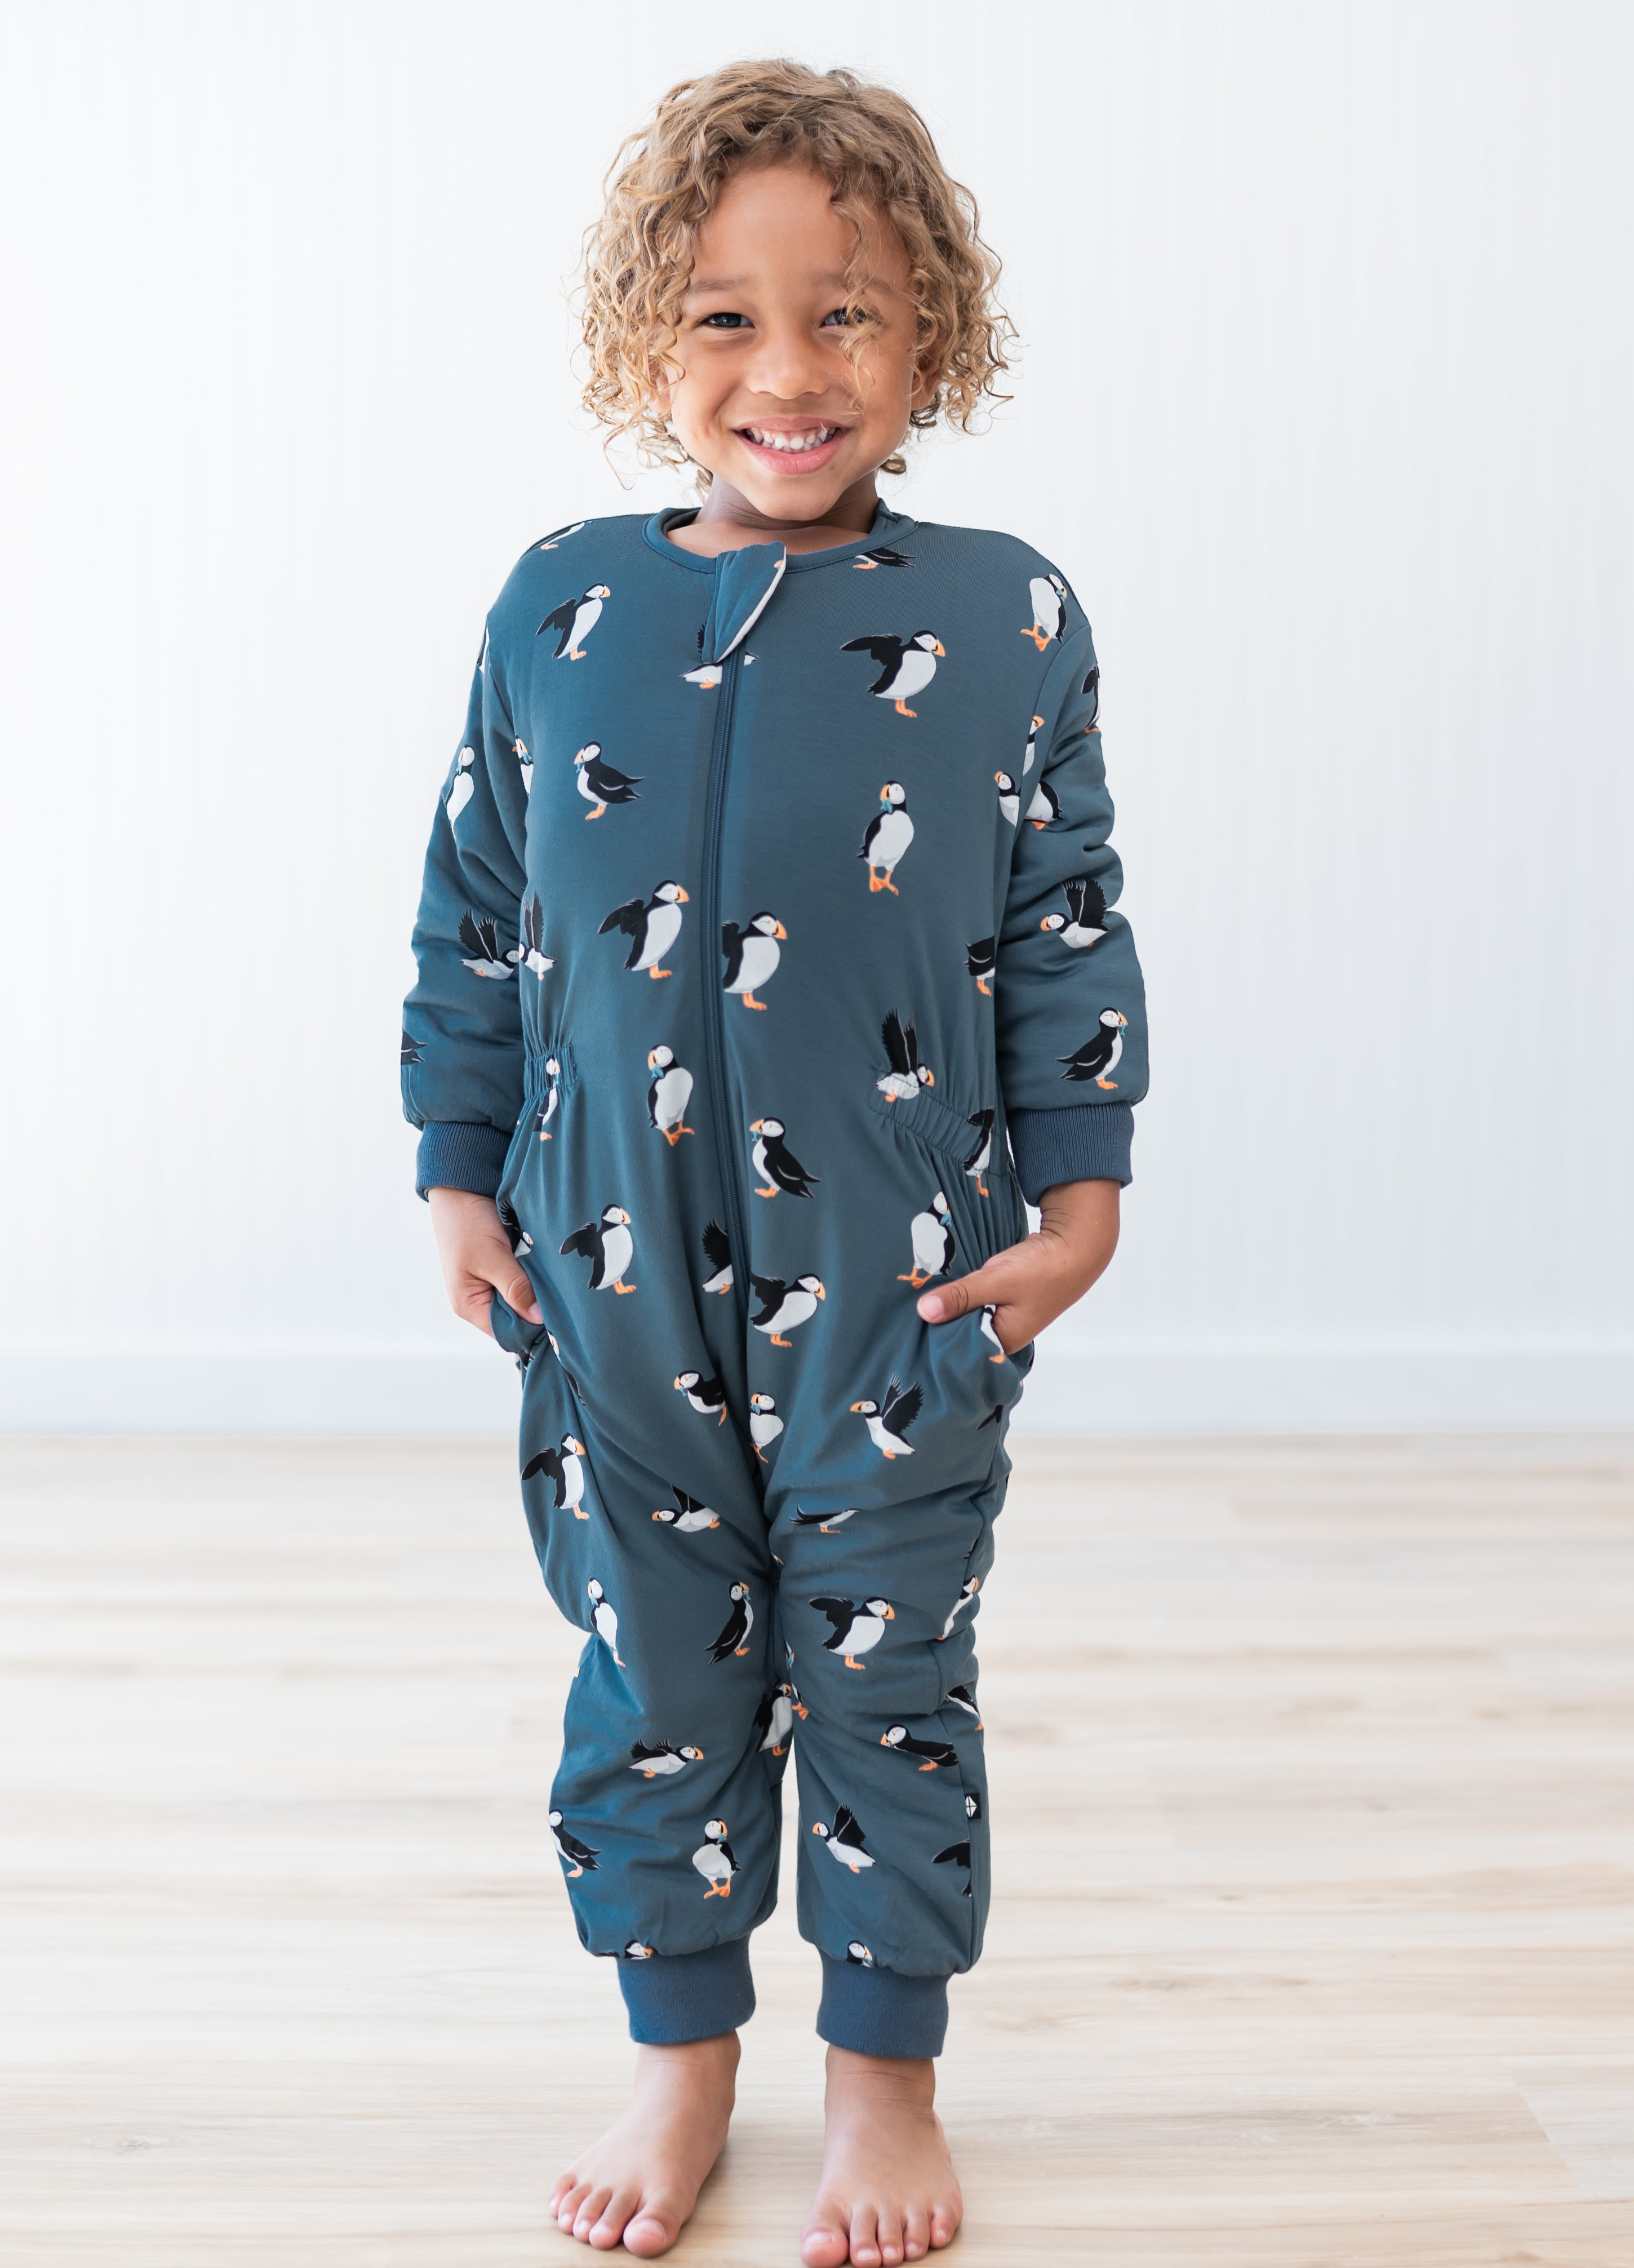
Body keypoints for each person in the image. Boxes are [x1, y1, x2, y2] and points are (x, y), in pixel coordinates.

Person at [401, 59, 1147, 2267]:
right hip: (599, 1268)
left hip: (904, 1264)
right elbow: (476, 904)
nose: (788, 370)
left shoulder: (1004, 619)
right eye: (726, 316)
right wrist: (458, 1157)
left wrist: (1082, 1193)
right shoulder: (561, 605)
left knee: (887, 1656)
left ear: (931, 338)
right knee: (649, 1656)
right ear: (652, 339)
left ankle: (886, 2072)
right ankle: (680, 2047)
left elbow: (1063, 916)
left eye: (846, 313)